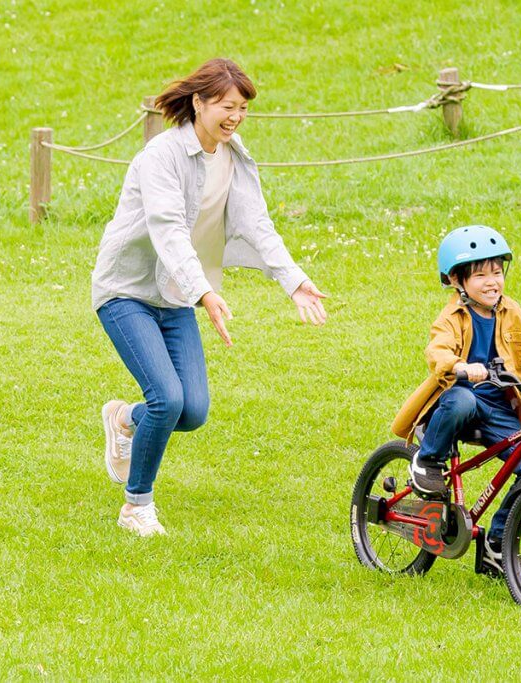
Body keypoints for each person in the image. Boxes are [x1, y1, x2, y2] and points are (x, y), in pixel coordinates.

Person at [91, 58, 328, 536]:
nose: (234, 116)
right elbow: (168, 228)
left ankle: (123, 420)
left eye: (242, 107)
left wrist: (294, 280)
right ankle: (136, 507)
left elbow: (256, 224)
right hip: (128, 290)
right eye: (225, 105)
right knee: (166, 399)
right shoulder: (161, 157)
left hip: (175, 292)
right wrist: (204, 292)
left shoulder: (232, 155)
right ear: (198, 103)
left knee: (192, 410)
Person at [390, 225, 521, 575]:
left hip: (498, 405)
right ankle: (427, 463)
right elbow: (438, 350)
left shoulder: (512, 313)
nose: (492, 281)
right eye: (480, 275)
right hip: (459, 401)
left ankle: (496, 544)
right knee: (462, 400)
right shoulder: (452, 317)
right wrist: (459, 366)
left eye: (497, 272)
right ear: (456, 281)